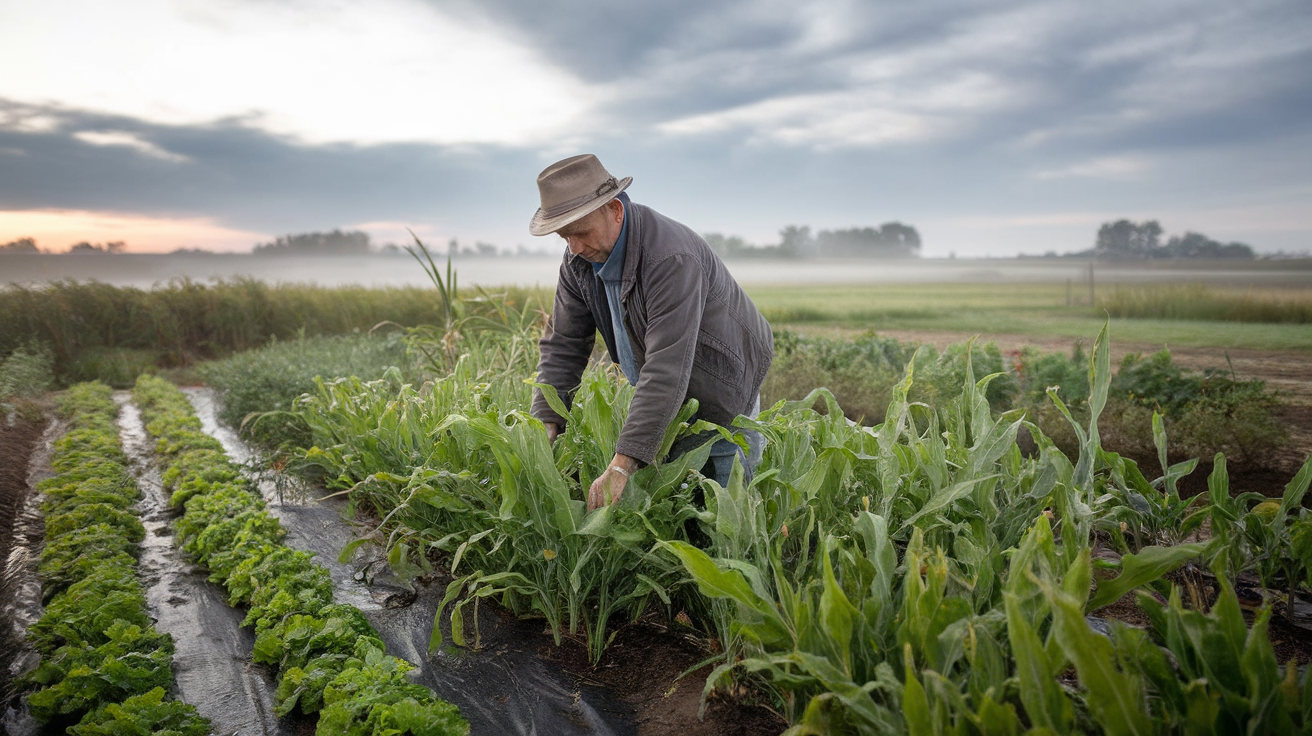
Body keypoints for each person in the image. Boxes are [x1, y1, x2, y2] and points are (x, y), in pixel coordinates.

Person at [528, 154, 774, 511]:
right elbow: (563, 345)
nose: (574, 247)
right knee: (682, 509)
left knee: (729, 516)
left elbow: (667, 366)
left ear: (614, 209)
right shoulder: (579, 261)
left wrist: (622, 463)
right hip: (670, 398)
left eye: (580, 232)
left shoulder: (669, 257)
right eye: (565, 237)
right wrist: (545, 424)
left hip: (722, 390)